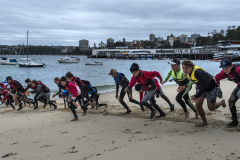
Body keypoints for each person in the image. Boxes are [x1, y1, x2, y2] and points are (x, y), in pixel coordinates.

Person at [181, 60, 226, 126]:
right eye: (183, 68)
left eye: (186, 68)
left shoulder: (198, 72)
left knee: (211, 108)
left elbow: (205, 85)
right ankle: (205, 122)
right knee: (198, 105)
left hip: (210, 88)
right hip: (201, 87)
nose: (184, 70)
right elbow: (195, 80)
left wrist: (196, 95)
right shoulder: (188, 73)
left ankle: (221, 102)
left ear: (191, 67)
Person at [215, 59, 240, 127]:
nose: (225, 71)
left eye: (227, 68)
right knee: (231, 101)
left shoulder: (238, 69)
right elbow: (216, 78)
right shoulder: (223, 73)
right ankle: (234, 121)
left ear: (231, 66)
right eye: (223, 69)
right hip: (239, 86)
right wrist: (217, 87)